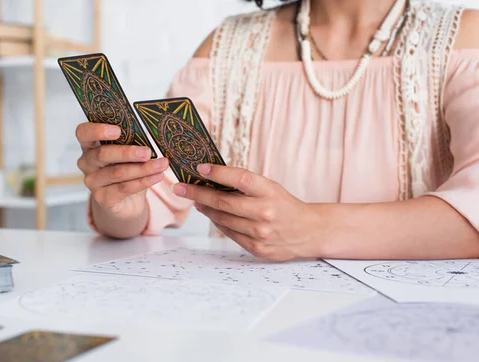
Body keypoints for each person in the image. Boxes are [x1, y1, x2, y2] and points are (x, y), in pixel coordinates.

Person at [75, 0, 479, 261]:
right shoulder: (224, 48)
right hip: (252, 346)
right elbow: (146, 208)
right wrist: (118, 203)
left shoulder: (464, 39)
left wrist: (311, 228)